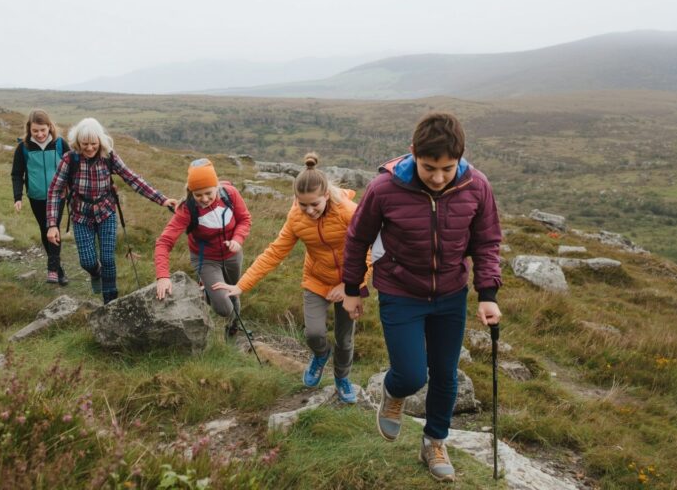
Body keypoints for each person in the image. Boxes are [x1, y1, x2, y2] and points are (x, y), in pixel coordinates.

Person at [341, 112, 502, 483]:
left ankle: (434, 441)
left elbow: (487, 241)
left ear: (461, 156)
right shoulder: (384, 188)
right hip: (400, 292)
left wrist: (487, 293)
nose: (439, 177)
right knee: (412, 374)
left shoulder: (476, 186)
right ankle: (393, 392)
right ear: (413, 153)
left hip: (451, 294)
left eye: (448, 168)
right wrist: (352, 289)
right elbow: (357, 239)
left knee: (446, 375)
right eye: (430, 167)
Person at [213, 153, 370, 403]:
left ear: (327, 195)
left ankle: (342, 377)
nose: (309, 211)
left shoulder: (349, 212)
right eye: (302, 204)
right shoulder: (296, 217)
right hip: (316, 279)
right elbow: (275, 252)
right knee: (313, 334)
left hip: (350, 282)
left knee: (345, 338)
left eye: (314, 205)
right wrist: (241, 285)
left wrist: (349, 286)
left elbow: (369, 250)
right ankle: (320, 355)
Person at [46, 117, 175, 304]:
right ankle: (95, 273)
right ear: (77, 143)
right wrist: (52, 224)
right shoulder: (70, 159)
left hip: (106, 213)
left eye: (93, 144)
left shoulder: (109, 156)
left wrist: (162, 199)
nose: (89, 148)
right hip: (81, 216)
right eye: (85, 144)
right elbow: (54, 190)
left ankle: (110, 302)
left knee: (108, 259)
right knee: (87, 261)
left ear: (100, 141)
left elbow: (133, 179)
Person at [154, 158, 252, 337]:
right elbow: (164, 242)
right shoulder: (187, 209)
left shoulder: (230, 194)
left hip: (233, 255)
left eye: (208, 193)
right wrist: (162, 276)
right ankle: (206, 289)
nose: (204, 199)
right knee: (224, 307)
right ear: (191, 192)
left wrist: (237, 239)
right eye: (198, 195)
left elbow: (245, 219)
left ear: (216, 186)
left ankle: (233, 328)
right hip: (206, 259)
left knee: (233, 292)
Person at [11, 109, 70, 285]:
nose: (40, 134)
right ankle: (58, 269)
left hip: (58, 196)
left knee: (54, 228)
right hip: (36, 196)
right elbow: (17, 174)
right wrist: (18, 197)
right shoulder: (23, 148)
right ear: (29, 129)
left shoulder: (60, 144)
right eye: (35, 131)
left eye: (43, 130)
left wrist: (70, 187)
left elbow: (72, 167)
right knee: (45, 231)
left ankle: (53, 269)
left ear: (49, 127)